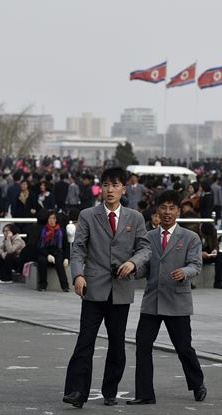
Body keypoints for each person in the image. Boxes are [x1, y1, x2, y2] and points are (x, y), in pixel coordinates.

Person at [63, 167, 151, 409]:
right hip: (92, 287)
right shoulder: (88, 215)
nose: (110, 189)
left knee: (117, 343)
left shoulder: (135, 217)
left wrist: (133, 263)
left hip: (121, 289)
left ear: (125, 188)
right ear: (101, 188)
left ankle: (110, 390)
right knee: (85, 342)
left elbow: (145, 248)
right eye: (106, 185)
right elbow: (78, 249)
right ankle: (76, 391)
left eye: (115, 185)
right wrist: (78, 275)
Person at [127, 190, 206, 405]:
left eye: (172, 208)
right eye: (163, 208)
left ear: (179, 211)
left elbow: (196, 265)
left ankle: (197, 383)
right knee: (143, 346)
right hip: (152, 301)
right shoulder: (148, 237)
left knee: (183, 348)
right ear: (157, 211)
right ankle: (145, 394)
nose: (167, 212)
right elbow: (145, 269)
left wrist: (185, 272)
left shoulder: (190, 237)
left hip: (177, 300)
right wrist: (132, 270)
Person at [36, 211, 70, 291]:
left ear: (56, 220)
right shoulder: (42, 230)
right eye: (50, 218)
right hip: (45, 252)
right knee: (42, 261)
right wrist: (47, 255)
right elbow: (39, 246)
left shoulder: (61, 231)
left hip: (57, 252)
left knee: (59, 262)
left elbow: (66, 246)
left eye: (54, 218)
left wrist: (67, 258)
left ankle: (65, 286)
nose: (52, 220)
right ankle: (42, 285)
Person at [200, 222, 222, 289]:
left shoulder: (213, 231)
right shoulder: (193, 232)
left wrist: (215, 250)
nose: (205, 237)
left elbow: (216, 244)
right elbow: (189, 249)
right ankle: (188, 283)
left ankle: (218, 282)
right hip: (197, 254)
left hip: (208, 253)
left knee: (221, 256)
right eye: (204, 235)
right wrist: (200, 253)